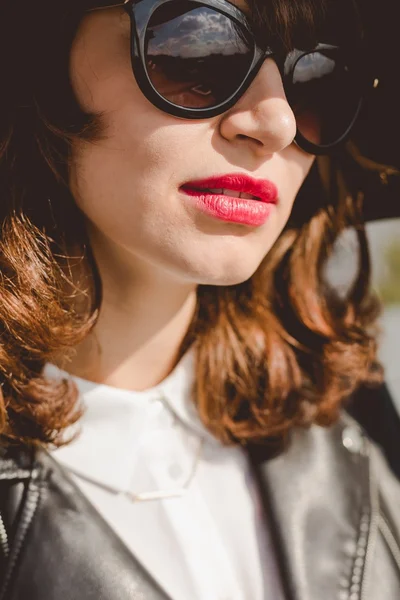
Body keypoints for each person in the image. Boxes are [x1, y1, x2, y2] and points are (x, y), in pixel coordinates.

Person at [0, 0, 399, 599]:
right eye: (199, 48)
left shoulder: (353, 453)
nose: (277, 122)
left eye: (319, 76)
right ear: (39, 64)